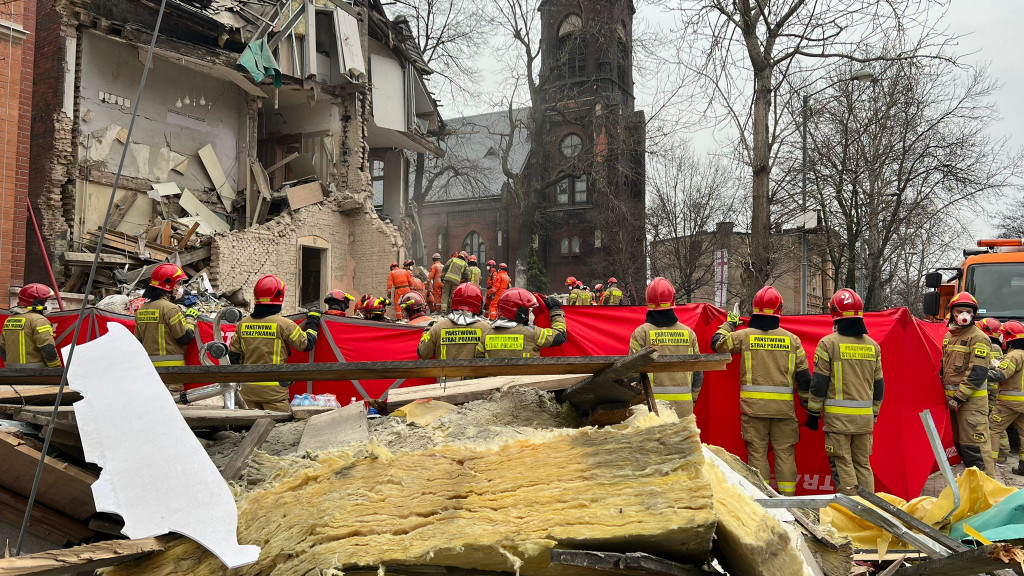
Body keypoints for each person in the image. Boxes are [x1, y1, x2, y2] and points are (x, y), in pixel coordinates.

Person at [711, 286, 810, 496]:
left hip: (754, 410)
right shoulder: (793, 340)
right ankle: (789, 503)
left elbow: (716, 344)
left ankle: (763, 501)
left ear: (755, 309)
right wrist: (810, 408)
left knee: (757, 454)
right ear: (779, 310)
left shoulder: (744, 336)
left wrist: (730, 323)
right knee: (785, 455)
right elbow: (804, 378)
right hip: (784, 411)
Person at [805, 288, 884, 495]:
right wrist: (874, 413)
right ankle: (871, 511)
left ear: (834, 313)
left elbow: (819, 383)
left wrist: (813, 413)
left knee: (842, 464)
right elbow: (879, 385)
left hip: (839, 422)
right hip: (865, 420)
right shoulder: (873, 346)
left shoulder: (828, 344)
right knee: (863, 464)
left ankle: (852, 513)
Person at [227, 275, 318, 412]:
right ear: (279, 297)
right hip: (274, 393)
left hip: (247, 391)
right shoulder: (284, 325)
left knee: (247, 429)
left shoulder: (242, 324)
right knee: (278, 429)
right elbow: (306, 344)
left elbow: (233, 357)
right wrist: (313, 320)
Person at [629, 277, 702, 417]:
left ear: (648, 302)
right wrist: (692, 399)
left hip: (651, 411)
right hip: (683, 410)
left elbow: (632, 374)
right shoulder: (689, 334)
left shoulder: (640, 334)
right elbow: (698, 372)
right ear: (672, 300)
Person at [941, 291, 996, 476]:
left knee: (976, 451)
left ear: (973, 314)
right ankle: (974, 490)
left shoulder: (979, 337)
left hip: (970, 405)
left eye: (968, 311)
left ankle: (990, 494)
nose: (963, 314)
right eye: (959, 310)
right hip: (954, 404)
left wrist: (958, 397)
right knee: (963, 448)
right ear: (952, 313)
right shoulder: (950, 336)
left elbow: (978, 373)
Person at [134, 263, 199, 395]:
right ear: (170, 285)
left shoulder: (142, 310)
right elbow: (184, 338)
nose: (179, 287)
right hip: (172, 373)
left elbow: (139, 341)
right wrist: (190, 319)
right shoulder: (170, 309)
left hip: (150, 371)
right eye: (178, 283)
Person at [476, 288, 567, 358]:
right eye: (529, 310)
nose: (530, 313)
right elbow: (559, 336)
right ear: (521, 311)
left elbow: (478, 359)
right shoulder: (532, 333)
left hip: (493, 382)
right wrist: (556, 312)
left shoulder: (486, 334)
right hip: (526, 381)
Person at [987, 320, 1024, 475]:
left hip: (1009, 402)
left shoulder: (1014, 355)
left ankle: (989, 467)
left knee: (993, 429)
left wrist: (982, 372)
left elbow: (1000, 374)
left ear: (1008, 338)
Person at [418, 283, 490, 360]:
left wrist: (427, 330)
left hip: (444, 372)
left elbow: (423, 353)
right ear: (479, 304)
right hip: (474, 372)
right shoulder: (487, 329)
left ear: (452, 301)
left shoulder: (438, 327)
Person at [1, 284, 61, 369]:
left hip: (12, 374)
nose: (47, 304)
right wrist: (56, 367)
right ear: (37, 302)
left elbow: (2, 347)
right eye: (45, 301)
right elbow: (47, 348)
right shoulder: (39, 320)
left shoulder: (9, 320)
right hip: (35, 375)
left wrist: (9, 363)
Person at [979, 317, 1011, 463]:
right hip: (992, 389)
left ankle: (1001, 454)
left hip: (989, 390)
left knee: (995, 423)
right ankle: (1001, 453)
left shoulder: (991, 347)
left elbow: (988, 367)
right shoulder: (997, 347)